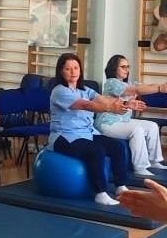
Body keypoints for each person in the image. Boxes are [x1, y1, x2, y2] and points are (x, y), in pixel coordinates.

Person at [49, 53, 138, 206]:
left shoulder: (85, 89)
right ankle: (100, 192)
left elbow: (103, 99)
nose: (73, 72)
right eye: (68, 69)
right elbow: (86, 105)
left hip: (86, 133)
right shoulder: (59, 91)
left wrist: (124, 104)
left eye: (76, 68)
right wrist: (111, 108)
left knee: (118, 146)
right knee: (96, 151)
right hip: (64, 137)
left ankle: (121, 187)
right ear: (61, 71)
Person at [95, 54, 167, 177]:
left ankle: (154, 160)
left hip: (122, 121)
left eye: (128, 67)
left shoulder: (129, 83)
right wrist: (161, 88)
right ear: (114, 68)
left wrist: (166, 87)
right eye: (123, 67)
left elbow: (145, 87)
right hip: (108, 123)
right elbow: (136, 90)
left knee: (152, 126)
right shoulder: (111, 83)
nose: (127, 70)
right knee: (136, 130)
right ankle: (140, 167)